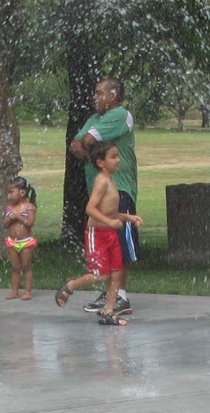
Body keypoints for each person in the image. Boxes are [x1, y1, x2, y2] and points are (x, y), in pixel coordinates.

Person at [68, 77, 137, 315]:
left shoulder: (119, 115)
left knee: (119, 244)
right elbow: (74, 145)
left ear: (113, 94)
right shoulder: (94, 119)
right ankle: (111, 294)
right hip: (99, 192)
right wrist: (94, 148)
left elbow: (85, 142)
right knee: (106, 243)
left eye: (99, 93)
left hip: (119, 191)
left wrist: (89, 146)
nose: (94, 97)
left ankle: (121, 296)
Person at [53, 143, 142, 326]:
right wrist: (109, 222)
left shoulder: (111, 180)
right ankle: (70, 285)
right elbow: (90, 209)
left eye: (117, 156)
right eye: (113, 157)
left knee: (116, 273)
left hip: (110, 233)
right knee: (99, 275)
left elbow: (109, 211)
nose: (118, 160)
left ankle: (109, 312)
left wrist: (128, 217)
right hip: (97, 234)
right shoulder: (101, 181)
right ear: (101, 162)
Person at [2, 176, 37, 300]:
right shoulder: (10, 208)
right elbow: (5, 225)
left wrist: (18, 217)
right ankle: (15, 291)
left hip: (25, 242)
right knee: (15, 267)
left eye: (11, 192)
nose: (9, 196)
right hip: (12, 242)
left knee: (26, 266)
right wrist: (8, 220)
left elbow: (30, 223)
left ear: (22, 192)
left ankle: (28, 291)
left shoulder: (29, 207)